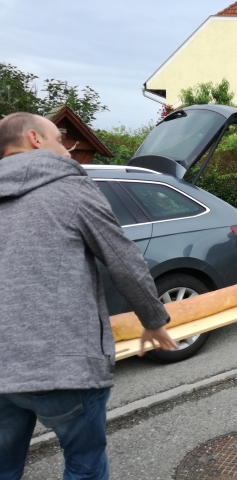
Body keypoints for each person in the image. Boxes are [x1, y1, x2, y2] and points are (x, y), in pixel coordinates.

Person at [0, 113, 178, 480]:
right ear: (34, 138)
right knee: (85, 462)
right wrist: (153, 320)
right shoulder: (71, 187)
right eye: (59, 140)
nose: (67, 150)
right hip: (64, 367)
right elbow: (124, 261)